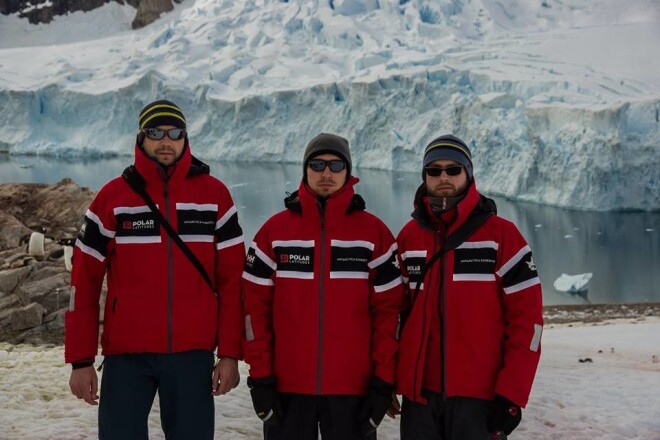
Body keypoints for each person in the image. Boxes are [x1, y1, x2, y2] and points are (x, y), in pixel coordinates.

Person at [65, 100, 245, 439]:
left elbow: (233, 282)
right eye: (156, 132)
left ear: (185, 138)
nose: (166, 140)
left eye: (175, 132)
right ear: (141, 138)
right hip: (126, 356)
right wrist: (81, 360)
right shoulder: (113, 198)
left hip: (192, 355)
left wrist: (231, 354)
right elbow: (83, 285)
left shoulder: (215, 196)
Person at [242, 133, 407, 440]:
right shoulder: (274, 233)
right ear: (305, 170)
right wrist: (260, 377)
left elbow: (390, 314)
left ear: (348, 171)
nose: (327, 173)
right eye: (317, 164)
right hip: (287, 388)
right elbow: (254, 311)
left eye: (336, 165)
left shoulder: (373, 234)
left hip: (353, 392)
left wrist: (382, 382)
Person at [394, 134, 544, 439]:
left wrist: (512, 394)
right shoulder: (409, 238)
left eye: (453, 169)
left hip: (480, 400)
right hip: (419, 400)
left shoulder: (502, 236)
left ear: (468, 173)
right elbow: (392, 315)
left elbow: (528, 324)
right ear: (424, 177)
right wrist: (387, 381)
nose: (444, 177)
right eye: (434, 171)